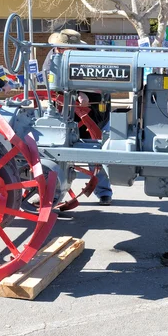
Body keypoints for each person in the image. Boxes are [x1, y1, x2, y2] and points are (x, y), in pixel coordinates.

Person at [43, 29, 113, 206]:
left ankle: (103, 191)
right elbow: (49, 80)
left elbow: (103, 82)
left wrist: (86, 90)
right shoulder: (53, 55)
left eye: (63, 48)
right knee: (59, 152)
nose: (59, 51)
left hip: (94, 112)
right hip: (65, 112)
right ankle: (53, 192)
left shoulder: (90, 56)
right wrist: (76, 93)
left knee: (96, 150)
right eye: (58, 48)